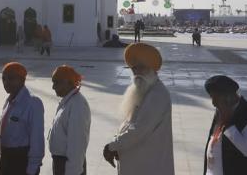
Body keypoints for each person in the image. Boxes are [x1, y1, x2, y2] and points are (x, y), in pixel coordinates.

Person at [104, 43, 174, 175]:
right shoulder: (144, 90)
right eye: (134, 68)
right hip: (136, 164)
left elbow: (138, 130)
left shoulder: (157, 95)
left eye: (142, 68)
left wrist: (113, 146)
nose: (137, 72)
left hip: (149, 166)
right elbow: (128, 124)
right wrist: (116, 143)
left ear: (153, 69)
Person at [204, 75, 247, 175]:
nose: (213, 103)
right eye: (212, 97)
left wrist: (228, 124)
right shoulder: (220, 110)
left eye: (216, 99)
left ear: (228, 98)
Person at [0, 62, 44, 175]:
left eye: (11, 78)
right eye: (3, 79)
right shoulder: (8, 102)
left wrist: (32, 169)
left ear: (22, 80)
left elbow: (37, 139)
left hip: (21, 162)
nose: (6, 82)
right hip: (6, 160)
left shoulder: (32, 103)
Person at [48, 65, 90, 175]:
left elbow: (77, 145)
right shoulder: (68, 101)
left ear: (68, 83)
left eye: (56, 83)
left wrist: (72, 172)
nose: (53, 87)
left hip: (69, 167)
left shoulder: (77, 105)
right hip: (61, 163)